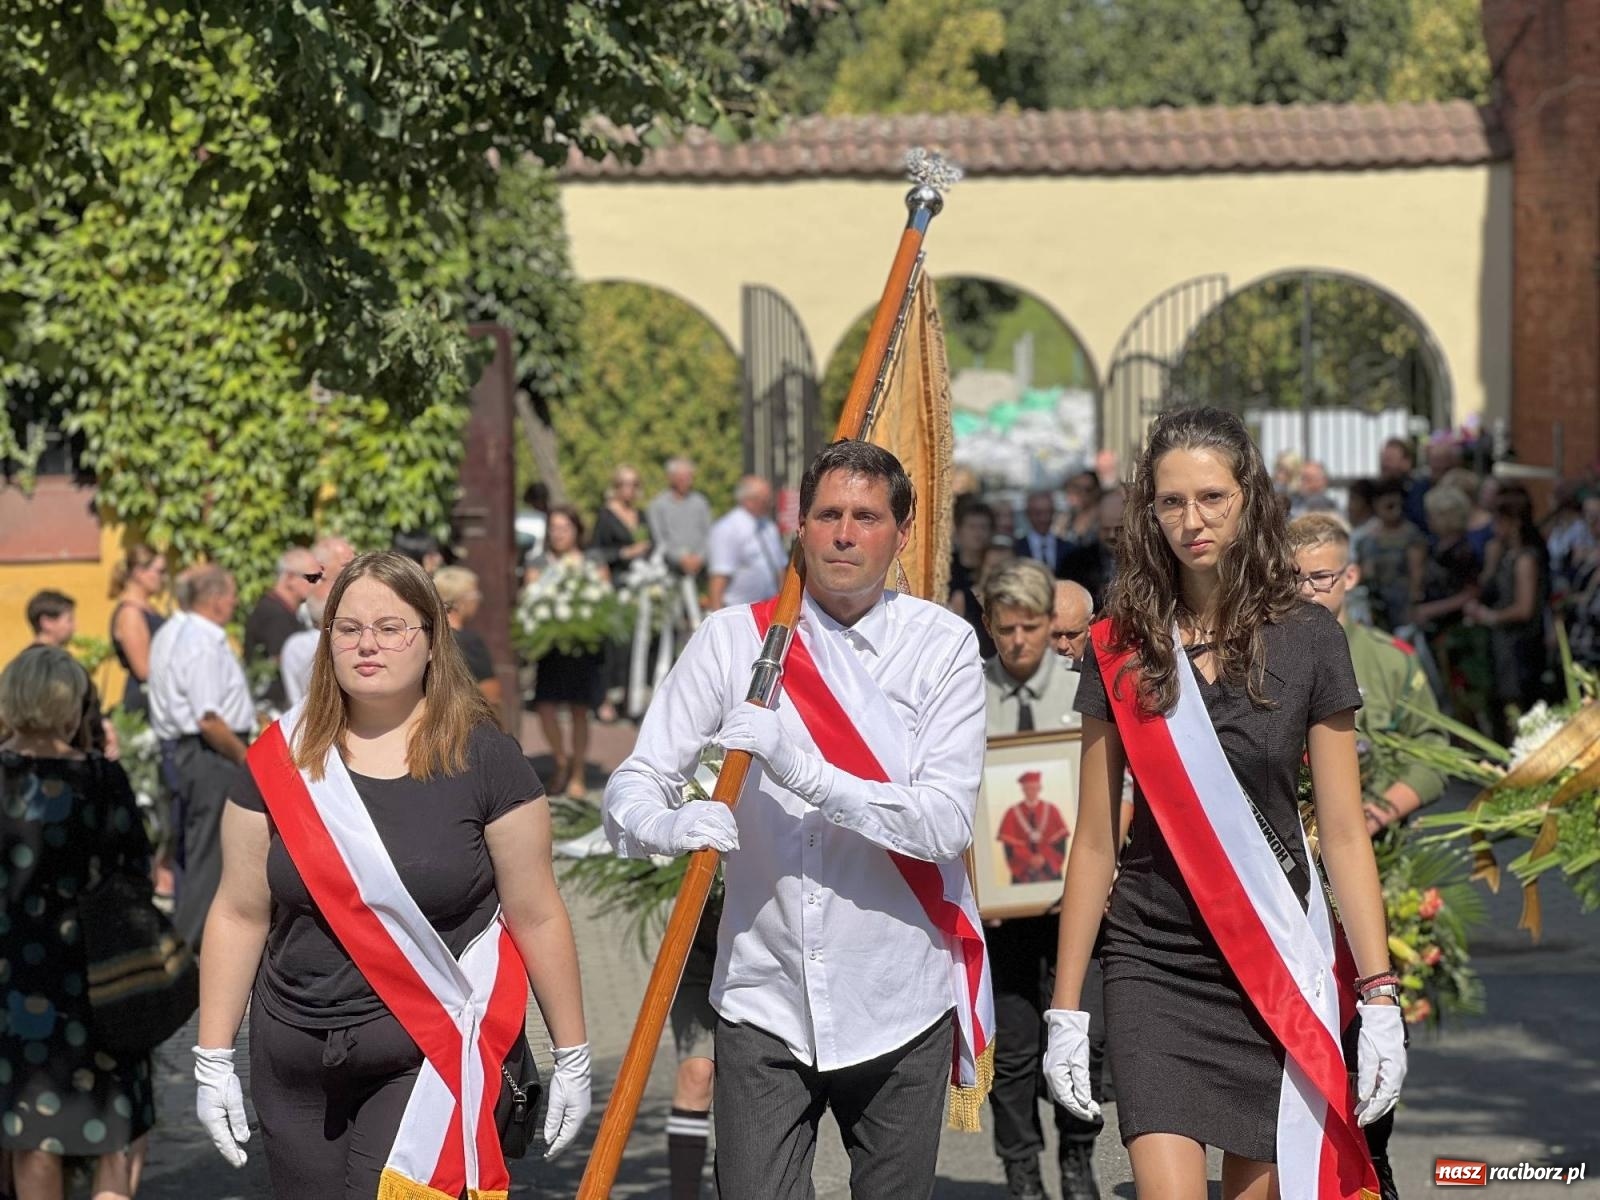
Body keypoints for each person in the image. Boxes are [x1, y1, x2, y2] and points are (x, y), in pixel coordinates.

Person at [604, 440, 992, 1200]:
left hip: (896, 998)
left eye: (867, 516)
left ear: (901, 533)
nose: (845, 533)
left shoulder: (942, 646)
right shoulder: (734, 638)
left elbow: (946, 826)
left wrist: (809, 772)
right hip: (763, 993)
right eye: (828, 515)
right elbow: (635, 784)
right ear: (800, 527)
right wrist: (669, 824)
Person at [1044, 406, 1405, 1200]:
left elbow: (1344, 833)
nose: (1191, 521)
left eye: (1211, 497)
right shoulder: (1118, 642)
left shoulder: (1311, 637)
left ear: (1250, 499)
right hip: (1152, 957)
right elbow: (1096, 841)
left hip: (1270, 952)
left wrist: (1378, 996)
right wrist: (1066, 1009)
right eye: (1170, 502)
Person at [193, 552, 591, 1196]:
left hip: (424, 1049)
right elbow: (239, 912)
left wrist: (571, 1050)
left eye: (392, 626)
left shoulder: (487, 760)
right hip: (292, 1057)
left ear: (433, 639)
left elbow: (537, 912)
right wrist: (211, 1058)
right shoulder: (276, 761)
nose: (367, 644)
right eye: (347, 629)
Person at [1289, 512, 1447, 1200]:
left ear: (1348, 577)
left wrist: (1376, 811)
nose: (1307, 592)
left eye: (1321, 578)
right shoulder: (1263, 654)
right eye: (1293, 579)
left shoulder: (1388, 661)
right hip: (1291, 876)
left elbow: (1438, 758)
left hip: (1375, 872)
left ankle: (1372, 1158)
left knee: (1375, 1035)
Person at [1, 647, 157, 1200]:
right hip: (99, 977)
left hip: (13, 981)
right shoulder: (102, 779)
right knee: (111, 1130)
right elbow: (137, 877)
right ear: (73, 704)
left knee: (31, 1136)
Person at [978, 559, 1104, 1200]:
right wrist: (977, 880)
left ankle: (1078, 1162)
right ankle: (1022, 1172)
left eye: (1033, 626)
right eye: (1008, 628)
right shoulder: (967, 694)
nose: (1022, 641)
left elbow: (1121, 791)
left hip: (1079, 907)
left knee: (1090, 1036)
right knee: (1015, 1050)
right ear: (989, 626)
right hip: (1001, 916)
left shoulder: (1087, 690)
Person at [147, 564, 254, 948]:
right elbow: (209, 720)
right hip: (209, 754)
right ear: (215, 600)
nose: (235, 601)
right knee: (209, 855)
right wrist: (247, 759)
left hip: (184, 753)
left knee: (191, 851)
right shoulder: (203, 642)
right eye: (231, 594)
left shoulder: (172, 632)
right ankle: (190, 944)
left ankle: (186, 939)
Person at [527, 506, 606, 800]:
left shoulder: (592, 559)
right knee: (546, 708)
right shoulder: (539, 561)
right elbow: (530, 593)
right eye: (554, 528)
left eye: (564, 528)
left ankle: (578, 773)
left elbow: (603, 592)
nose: (558, 534)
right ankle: (561, 759)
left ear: (576, 531)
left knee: (578, 710)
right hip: (550, 646)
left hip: (582, 646)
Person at [1466, 484, 1553, 746]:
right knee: (1502, 706)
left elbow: (1524, 607)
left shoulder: (1526, 559)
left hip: (1518, 645)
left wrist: (1490, 616)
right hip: (1502, 645)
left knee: (1517, 707)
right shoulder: (1504, 554)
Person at [589, 464, 654, 721]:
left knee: (639, 644)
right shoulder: (606, 516)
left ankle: (632, 699)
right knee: (615, 645)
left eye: (634, 484)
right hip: (615, 585)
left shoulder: (642, 515)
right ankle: (607, 698)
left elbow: (651, 544)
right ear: (615, 487)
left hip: (641, 586)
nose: (629, 490)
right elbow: (595, 552)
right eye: (624, 484)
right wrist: (625, 553)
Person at [243, 546, 321, 711]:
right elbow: (283, 661)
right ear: (290, 578)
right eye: (312, 578)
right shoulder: (273, 614)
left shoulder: (283, 610)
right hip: (274, 709)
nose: (317, 584)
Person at [707, 475, 787, 611]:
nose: (771, 503)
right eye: (765, 499)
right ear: (749, 501)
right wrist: (716, 617)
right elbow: (719, 577)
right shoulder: (728, 528)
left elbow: (780, 569)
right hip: (738, 610)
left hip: (770, 609)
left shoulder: (768, 527)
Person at [432, 564, 503, 716]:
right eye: (476, 596)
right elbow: (491, 696)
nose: (478, 602)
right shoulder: (469, 643)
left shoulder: (427, 636)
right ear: (460, 602)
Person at [1358, 478, 1427, 630]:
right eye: (1389, 506)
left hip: (1402, 604)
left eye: (1398, 506)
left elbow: (1417, 572)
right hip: (1376, 604)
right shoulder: (1368, 537)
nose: (1395, 511)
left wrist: (1414, 603)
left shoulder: (1411, 535)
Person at [109, 543, 168, 717]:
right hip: (145, 701)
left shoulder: (148, 608)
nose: (162, 578)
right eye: (159, 571)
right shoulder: (130, 613)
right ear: (139, 573)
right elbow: (143, 669)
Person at [647, 456, 712, 589]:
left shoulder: (700, 502)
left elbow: (709, 534)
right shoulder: (657, 505)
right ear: (671, 478)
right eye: (682, 477)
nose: (687, 481)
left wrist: (699, 557)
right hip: (670, 571)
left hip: (701, 570)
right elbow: (659, 540)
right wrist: (681, 559)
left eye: (689, 477)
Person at [996, 771, 1070, 884]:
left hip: (1049, 870)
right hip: (1023, 872)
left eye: (1034, 788)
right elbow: (1009, 848)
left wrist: (1043, 858)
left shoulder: (1052, 810)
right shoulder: (1012, 813)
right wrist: (1029, 858)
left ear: (1039, 788)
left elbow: (1060, 844)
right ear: (1023, 790)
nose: (1031, 792)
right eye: (1028, 788)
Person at [948, 496, 998, 659]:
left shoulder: (997, 567)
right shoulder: (947, 567)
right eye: (972, 527)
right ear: (960, 530)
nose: (978, 533)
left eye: (983, 527)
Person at [1015, 491, 1073, 578]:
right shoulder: (1016, 548)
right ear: (1028, 514)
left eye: (1048, 512)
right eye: (1038, 513)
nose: (1044, 518)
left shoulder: (1069, 549)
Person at [1050, 580, 1095, 667]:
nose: (1062, 646)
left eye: (1072, 634)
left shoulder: (1106, 674)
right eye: (1054, 634)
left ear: (1090, 626)